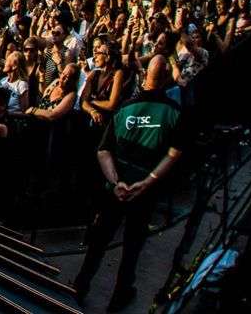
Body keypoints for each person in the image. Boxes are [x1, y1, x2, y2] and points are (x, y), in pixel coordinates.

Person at [72, 54, 193, 310]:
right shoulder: (174, 112)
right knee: (132, 248)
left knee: (99, 242)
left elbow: (103, 151)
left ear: (145, 77)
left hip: (115, 189)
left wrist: (116, 182)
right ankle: (118, 298)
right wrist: (147, 182)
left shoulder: (125, 108)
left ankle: (79, 288)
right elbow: (175, 153)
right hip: (143, 194)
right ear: (167, 79)